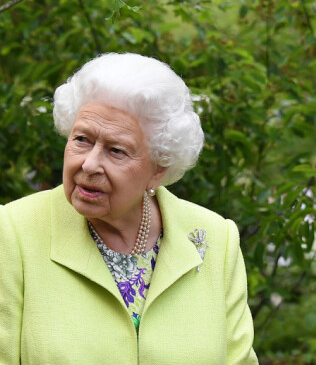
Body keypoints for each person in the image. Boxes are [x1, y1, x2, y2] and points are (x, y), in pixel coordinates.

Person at [0, 52, 259, 364]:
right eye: (82, 139)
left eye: (116, 150)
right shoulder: (12, 231)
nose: (90, 163)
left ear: (159, 168)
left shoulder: (216, 238)